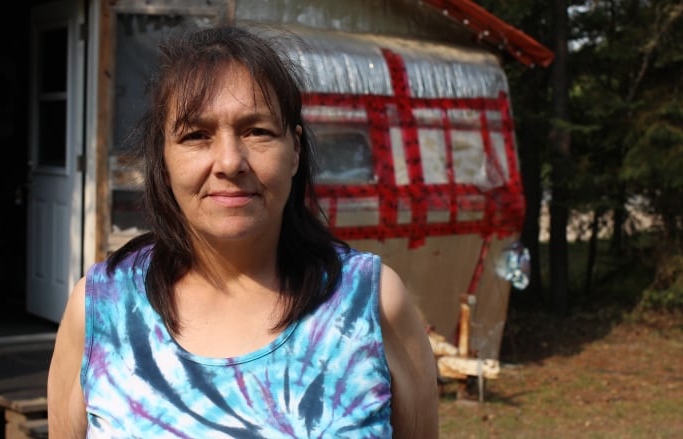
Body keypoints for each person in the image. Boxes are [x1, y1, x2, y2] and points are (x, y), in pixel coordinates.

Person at [47, 24, 440, 438]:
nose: (230, 162)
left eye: (257, 132)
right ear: (162, 161)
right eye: (196, 136)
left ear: (295, 152)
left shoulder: (373, 303)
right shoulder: (98, 309)